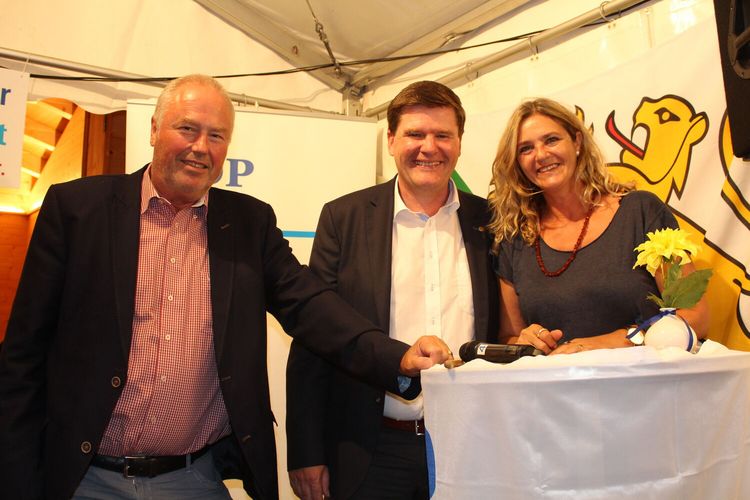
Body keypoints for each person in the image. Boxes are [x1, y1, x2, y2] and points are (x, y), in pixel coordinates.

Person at [0, 74, 452, 500]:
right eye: (187, 129)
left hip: (193, 480)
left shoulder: (248, 223)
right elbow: (22, 356)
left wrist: (396, 357)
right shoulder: (77, 210)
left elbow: (311, 306)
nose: (201, 147)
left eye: (216, 136)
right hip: (84, 479)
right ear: (154, 129)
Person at [286, 81, 499, 499]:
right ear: (390, 140)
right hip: (373, 450)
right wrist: (306, 452)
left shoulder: (491, 221)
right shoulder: (343, 219)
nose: (429, 147)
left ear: (459, 143)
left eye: (442, 135)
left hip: (474, 446)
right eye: (415, 134)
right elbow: (315, 335)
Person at [487, 97, 708, 354]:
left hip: (645, 378)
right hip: (556, 380)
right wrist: (525, 341)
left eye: (551, 140)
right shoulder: (514, 240)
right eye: (526, 149)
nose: (541, 155)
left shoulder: (640, 212)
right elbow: (509, 337)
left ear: (577, 142)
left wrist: (619, 339)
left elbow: (696, 317)